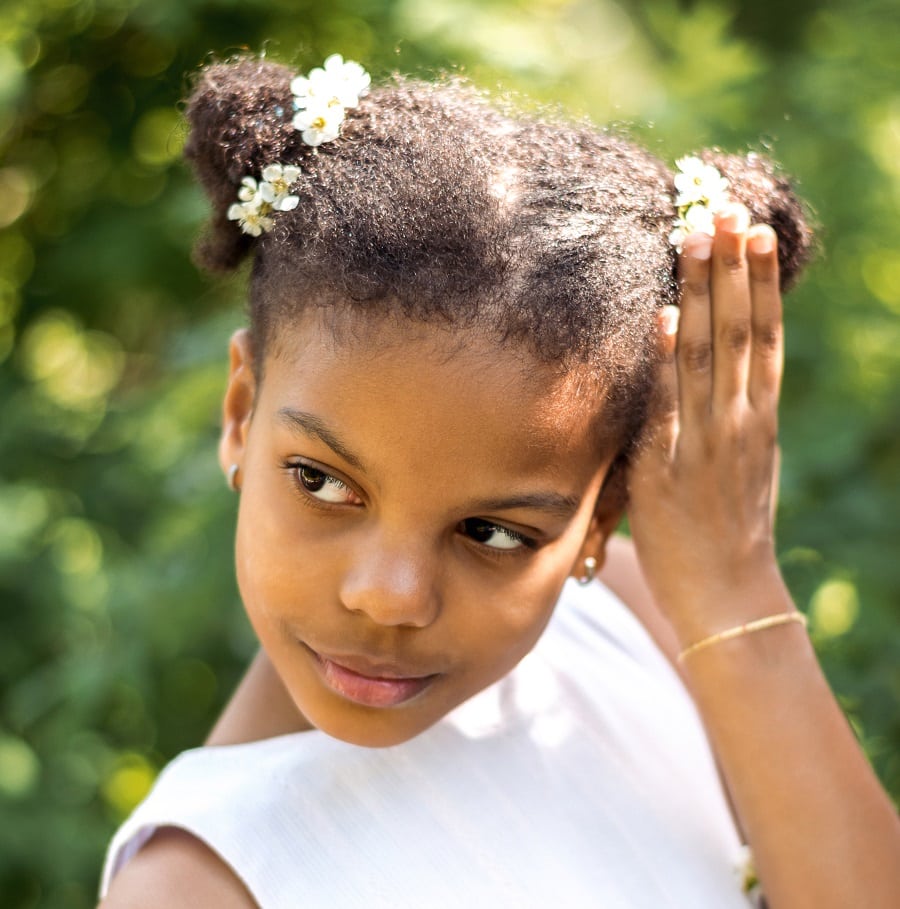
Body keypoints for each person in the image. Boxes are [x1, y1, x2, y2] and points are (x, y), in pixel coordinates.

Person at [97, 55, 900, 908]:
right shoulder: (192, 887)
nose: (390, 596)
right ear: (240, 411)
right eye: (322, 482)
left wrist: (734, 587)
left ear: (599, 522)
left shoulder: (647, 625)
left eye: (493, 533)